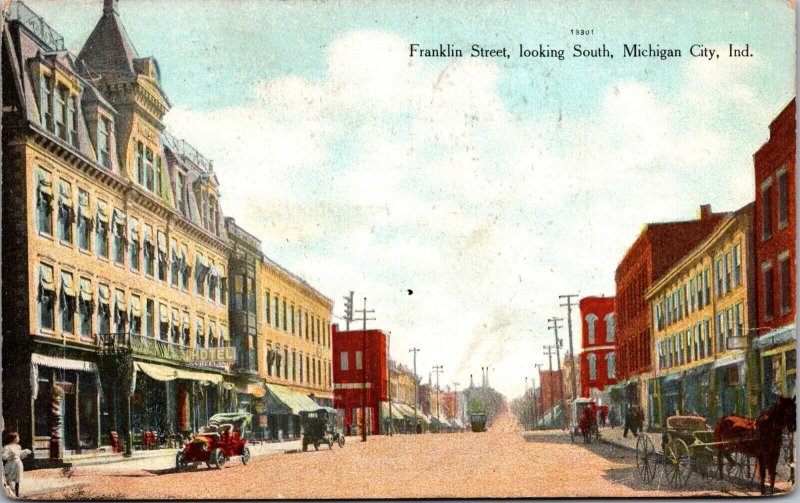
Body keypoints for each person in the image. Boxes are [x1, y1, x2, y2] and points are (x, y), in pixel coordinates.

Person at [3, 432, 31, 497]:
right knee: (9, 478)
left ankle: (17, 493)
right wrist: (10, 457)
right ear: (14, 439)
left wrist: (24, 452)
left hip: (18, 463)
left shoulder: (18, 446)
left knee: (18, 478)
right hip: (11, 464)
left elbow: (19, 455)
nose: (19, 439)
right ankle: (10, 493)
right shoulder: (7, 447)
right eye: (18, 437)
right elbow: (3, 456)